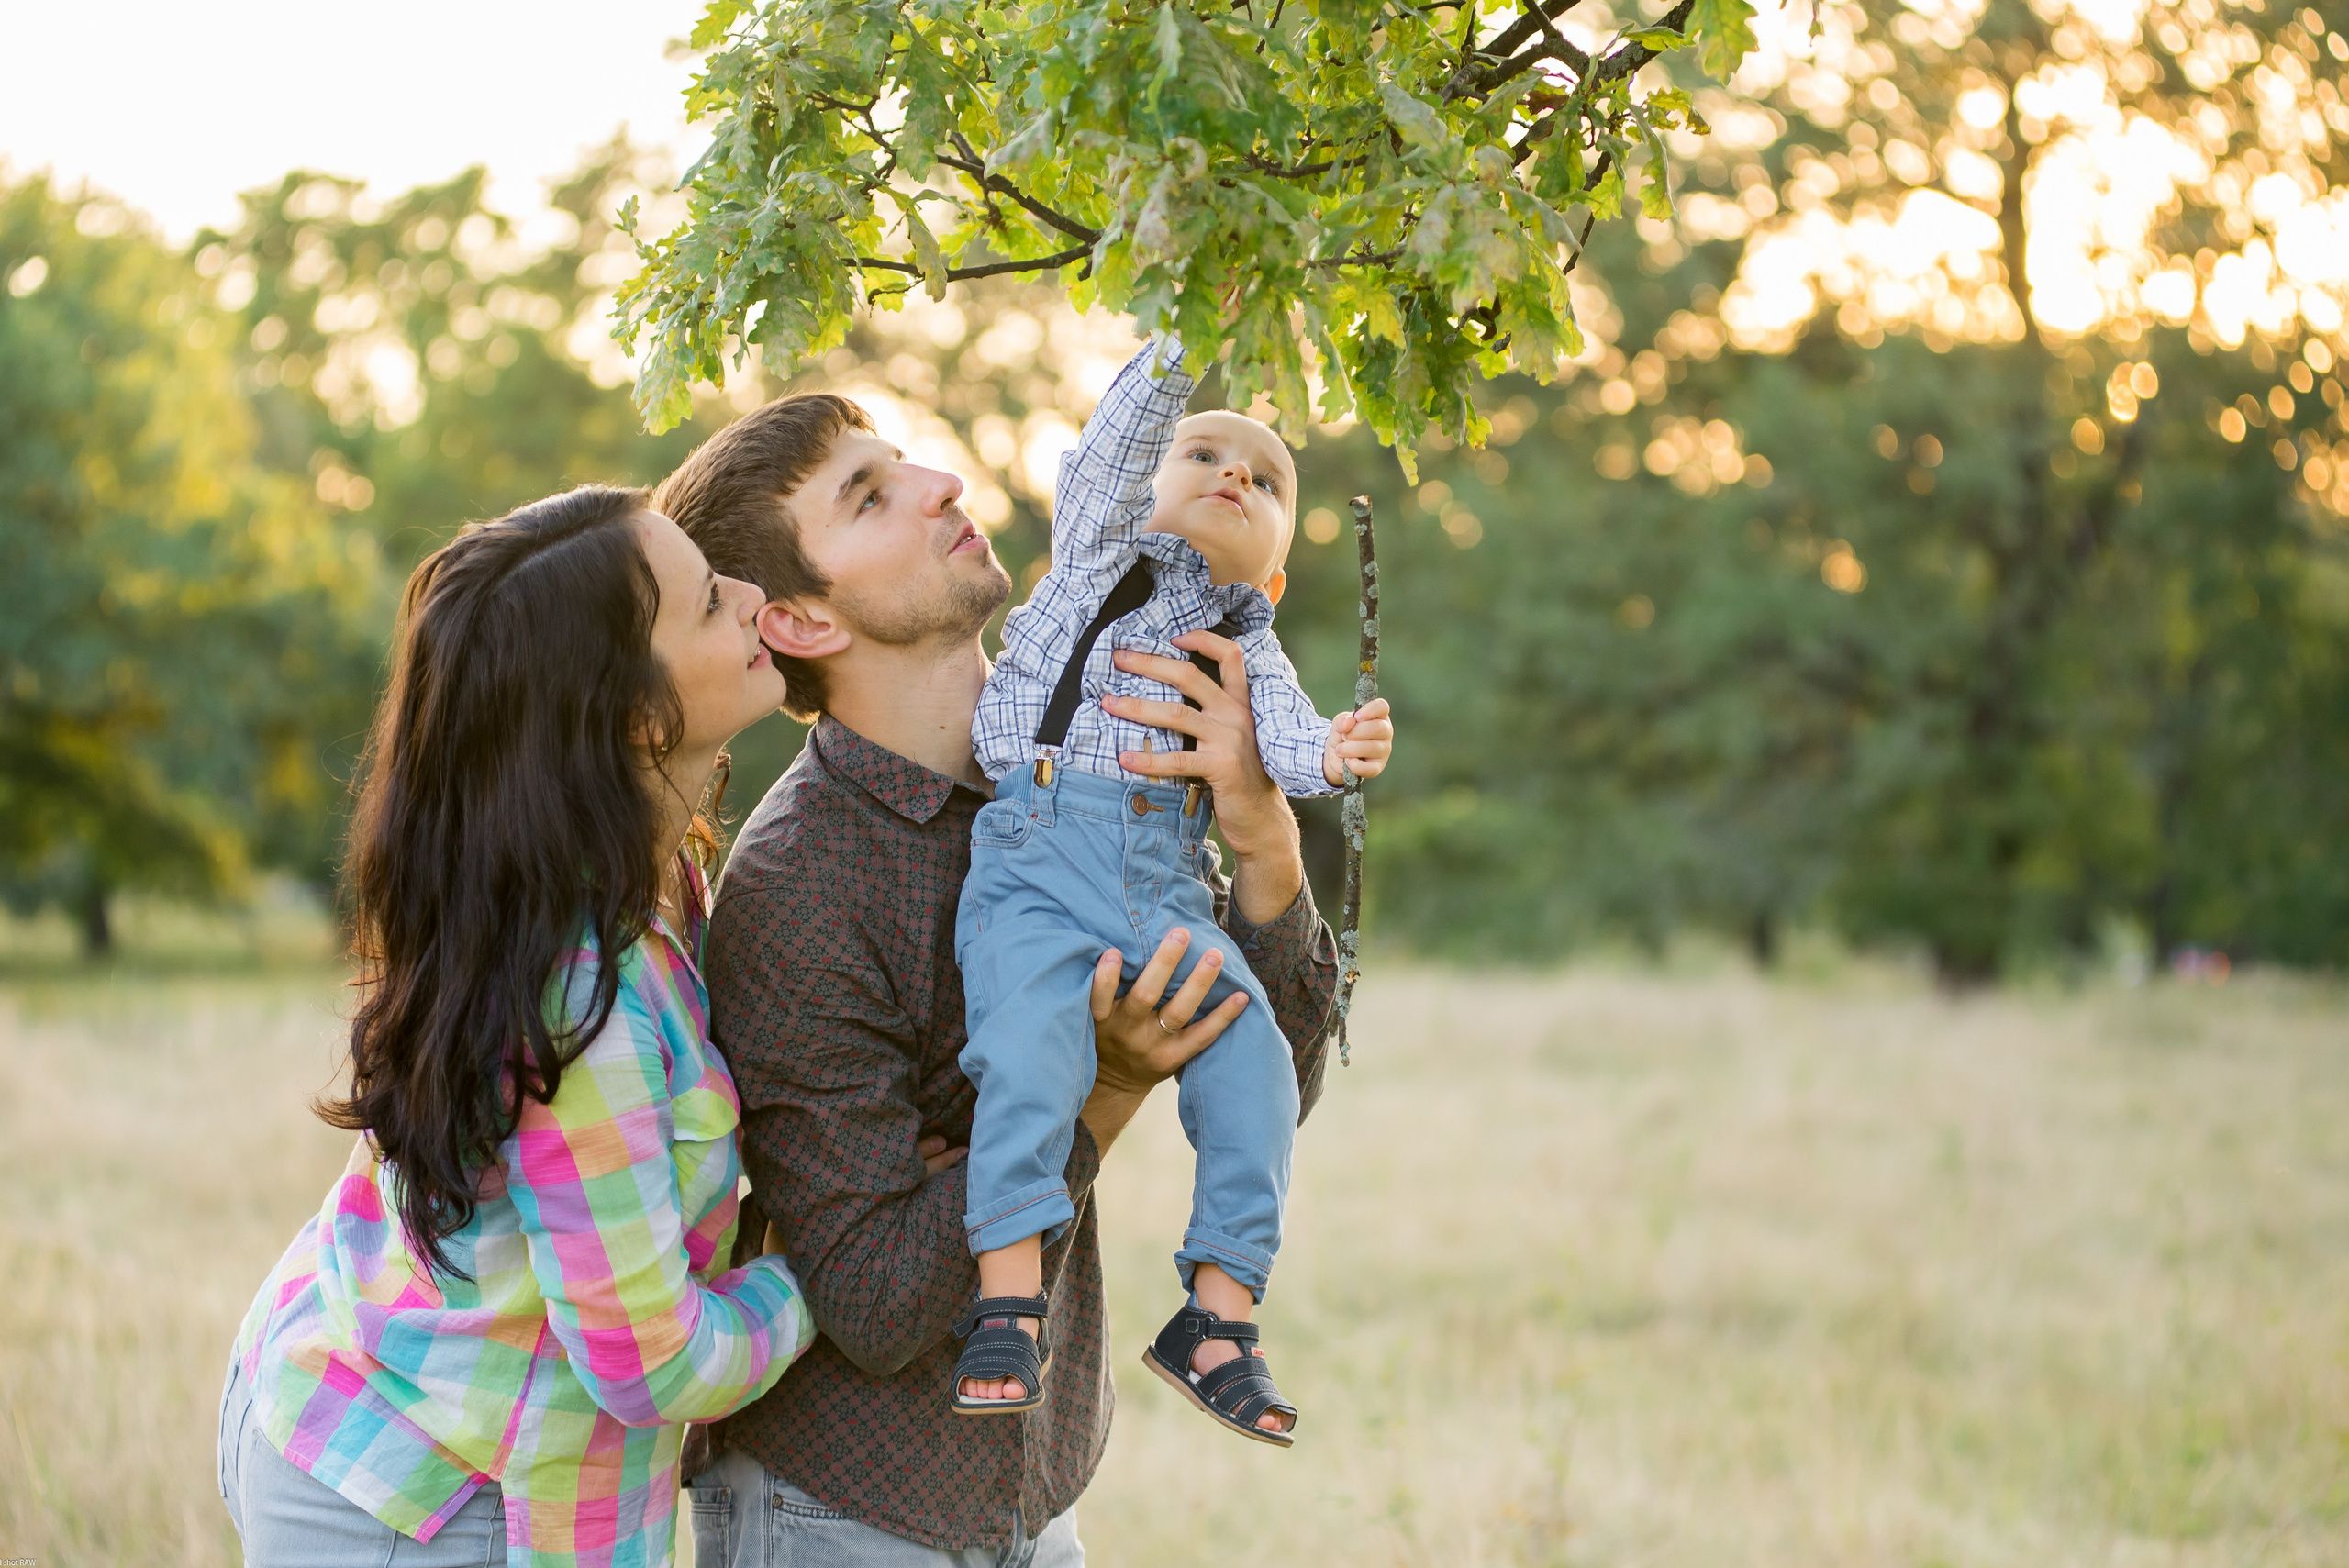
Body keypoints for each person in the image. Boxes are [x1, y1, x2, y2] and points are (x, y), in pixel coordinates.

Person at [653, 375, 1340, 1564]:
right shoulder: (800, 888)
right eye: (871, 497)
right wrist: (1103, 1087)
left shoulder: (1109, 750)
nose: (942, 484)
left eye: (908, 461)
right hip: (846, 1512)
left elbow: (1272, 1082)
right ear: (803, 621)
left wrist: (1266, 844)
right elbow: (875, 1301)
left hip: (1039, 1478)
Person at [217, 486, 818, 1568]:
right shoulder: (586, 1001)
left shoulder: (626, 874)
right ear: (632, 714)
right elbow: (650, 1361)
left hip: (345, 1380)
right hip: (427, 1501)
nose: (748, 594)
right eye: (706, 600)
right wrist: (817, 1271)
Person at [952, 336, 1394, 1443]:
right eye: (1201, 454)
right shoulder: (1099, 559)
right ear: (1141, 492)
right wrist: (1187, 330)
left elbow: (1290, 745)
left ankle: (1218, 1316)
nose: (1234, 471)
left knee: (1252, 1056)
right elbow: (1112, 452)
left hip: (1166, 882)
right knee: (1029, 1050)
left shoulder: (1249, 646)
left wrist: (1337, 751)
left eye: (1267, 479)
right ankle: (1005, 1301)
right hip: (1039, 859)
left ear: (1274, 575)